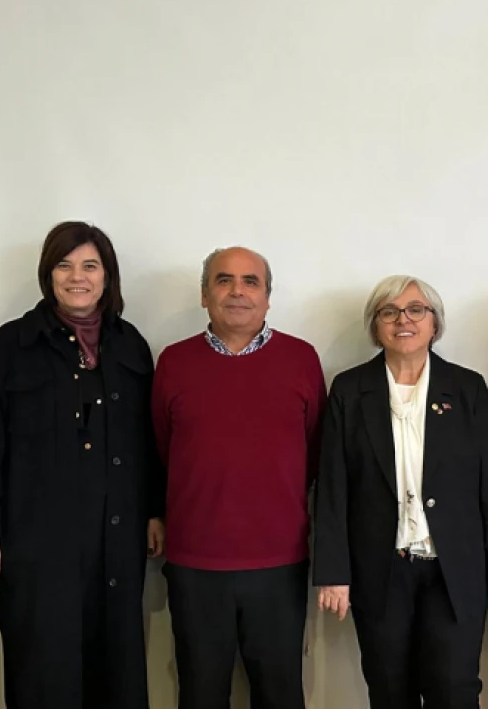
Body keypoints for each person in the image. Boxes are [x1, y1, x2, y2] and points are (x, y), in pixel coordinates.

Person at [0, 221, 163, 708]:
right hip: (35, 550)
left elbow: (149, 441)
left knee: (114, 675)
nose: (78, 277)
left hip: (115, 545)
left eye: (90, 266)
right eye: (65, 265)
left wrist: (154, 512)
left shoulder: (131, 345)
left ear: (107, 275)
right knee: (43, 676)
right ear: (48, 274)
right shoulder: (12, 346)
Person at [314, 275, 488, 708]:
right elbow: (333, 487)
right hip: (380, 571)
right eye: (389, 312)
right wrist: (334, 572)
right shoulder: (349, 390)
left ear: (434, 323)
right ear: (375, 326)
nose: (403, 320)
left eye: (416, 310)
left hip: (454, 573)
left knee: (455, 690)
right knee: (390, 691)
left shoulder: (467, 389)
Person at [151, 246, 327, 709]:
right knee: (200, 694)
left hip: (279, 563)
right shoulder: (173, 362)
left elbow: (313, 452)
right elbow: (163, 449)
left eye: (251, 281)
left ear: (267, 297)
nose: (237, 291)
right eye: (223, 280)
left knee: (280, 694)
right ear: (204, 295)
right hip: (195, 565)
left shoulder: (302, 359)